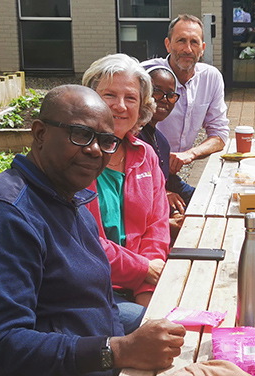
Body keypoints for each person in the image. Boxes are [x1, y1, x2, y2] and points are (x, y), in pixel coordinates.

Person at [0, 85, 185, 376]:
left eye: (106, 141)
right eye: (80, 135)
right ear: (40, 133)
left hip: (84, 362)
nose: (95, 150)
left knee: (190, 341)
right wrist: (117, 350)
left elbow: (97, 300)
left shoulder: (70, 199)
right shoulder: (2, 217)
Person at [82, 54, 171, 334]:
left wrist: (147, 289)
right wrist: (144, 270)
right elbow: (84, 244)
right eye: (110, 95)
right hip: (89, 291)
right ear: (90, 99)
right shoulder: (75, 158)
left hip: (139, 284)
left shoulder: (145, 155)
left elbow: (157, 228)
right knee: (172, 334)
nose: (120, 106)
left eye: (131, 98)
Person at [142, 15, 229, 175]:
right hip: (143, 169)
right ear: (168, 44)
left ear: (202, 48)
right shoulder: (146, 75)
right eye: (181, 40)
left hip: (172, 172)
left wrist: (190, 153)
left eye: (194, 42)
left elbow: (220, 133)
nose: (187, 49)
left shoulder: (211, 77)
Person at [142, 65, 194, 240]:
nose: (164, 100)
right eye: (157, 92)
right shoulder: (134, 138)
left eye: (171, 95)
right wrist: (164, 197)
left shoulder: (161, 142)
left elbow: (171, 181)